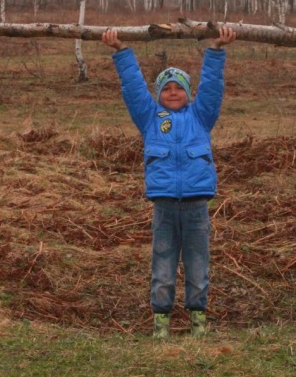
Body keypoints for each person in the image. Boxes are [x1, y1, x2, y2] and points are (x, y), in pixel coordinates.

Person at [102, 26, 237, 339]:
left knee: (198, 264)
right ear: (158, 94)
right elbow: (134, 89)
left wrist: (216, 50)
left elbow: (213, 88)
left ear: (189, 93)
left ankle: (198, 322)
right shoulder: (149, 119)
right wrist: (121, 51)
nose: (173, 93)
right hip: (163, 206)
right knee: (162, 263)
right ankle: (161, 324)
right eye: (166, 88)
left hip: (196, 205)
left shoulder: (202, 116)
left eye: (179, 88)